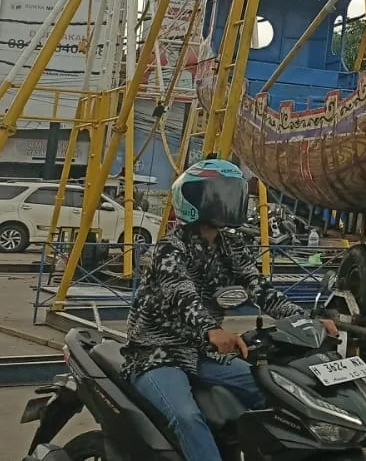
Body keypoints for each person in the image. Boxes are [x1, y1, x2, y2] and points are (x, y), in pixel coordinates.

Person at [121, 158, 337, 461]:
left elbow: (262, 291)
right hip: (157, 353)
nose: (227, 201)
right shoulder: (170, 248)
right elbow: (182, 294)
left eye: (231, 193)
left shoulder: (233, 246)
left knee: (276, 394)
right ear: (193, 200)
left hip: (207, 352)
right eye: (218, 193)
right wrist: (211, 329)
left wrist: (308, 320)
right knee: (186, 417)